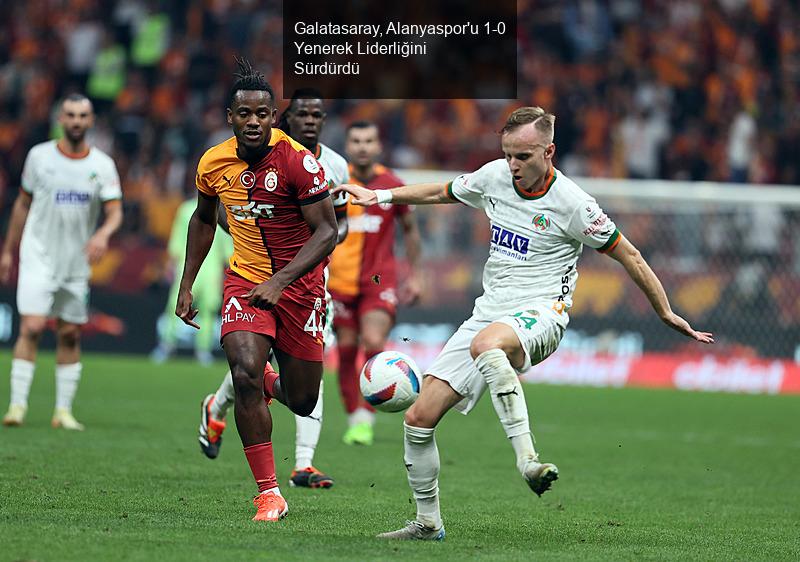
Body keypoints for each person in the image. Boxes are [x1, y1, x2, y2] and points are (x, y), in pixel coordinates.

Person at [334, 107, 713, 540]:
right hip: (488, 312)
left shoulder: (574, 205)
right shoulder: (496, 175)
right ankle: (427, 523)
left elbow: (630, 255)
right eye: (509, 154)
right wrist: (379, 197)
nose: (514, 165)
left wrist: (664, 311)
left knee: (487, 346)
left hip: (543, 313)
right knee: (418, 419)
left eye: (524, 156)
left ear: (549, 151)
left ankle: (527, 460)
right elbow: (443, 192)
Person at [175, 58, 337, 522]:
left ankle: (267, 381)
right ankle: (268, 493)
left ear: (272, 116)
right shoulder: (213, 161)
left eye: (261, 114)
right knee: (244, 371)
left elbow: (326, 232)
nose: (252, 122)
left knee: (303, 401)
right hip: (245, 280)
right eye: (243, 114)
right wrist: (186, 284)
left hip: (299, 288)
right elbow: (204, 219)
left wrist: (281, 280)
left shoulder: (298, 163)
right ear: (231, 117)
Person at [1, 94, 123, 430]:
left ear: (91, 120)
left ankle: (63, 412)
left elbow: (115, 212)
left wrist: (103, 234)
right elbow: (22, 205)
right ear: (60, 118)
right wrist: (8, 251)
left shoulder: (102, 165)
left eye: (82, 115)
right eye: (70, 114)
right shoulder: (39, 157)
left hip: (75, 263)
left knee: (70, 333)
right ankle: (17, 406)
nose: (76, 121)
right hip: (37, 255)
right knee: (32, 326)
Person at [327, 121, 422, 446]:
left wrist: (415, 275)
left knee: (372, 340)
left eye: (369, 140)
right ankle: (356, 420)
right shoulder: (337, 182)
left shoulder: (392, 184)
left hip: (379, 280)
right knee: (347, 348)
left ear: (378, 145)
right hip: (339, 282)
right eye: (356, 140)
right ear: (348, 146)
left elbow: (410, 229)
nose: (363, 146)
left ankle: (369, 412)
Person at [150, 197, 232, 365]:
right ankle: (167, 345)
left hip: (212, 270)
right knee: (176, 305)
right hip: (187, 267)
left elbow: (226, 246)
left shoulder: (221, 210)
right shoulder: (186, 209)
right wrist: (171, 265)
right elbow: (178, 240)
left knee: (209, 309)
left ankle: (203, 350)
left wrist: (225, 273)